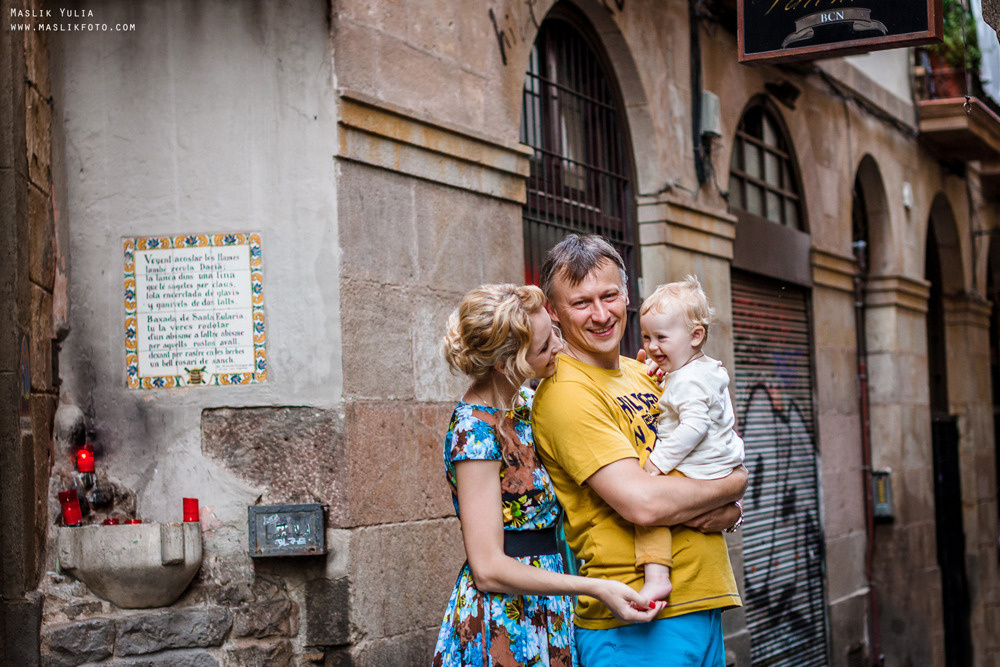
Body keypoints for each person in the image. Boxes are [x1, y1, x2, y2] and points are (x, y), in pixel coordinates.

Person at [531, 234, 747, 666]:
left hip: (700, 603)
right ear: (553, 312)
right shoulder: (566, 393)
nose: (600, 314)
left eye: (609, 295)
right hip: (636, 624)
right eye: (581, 303)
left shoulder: (647, 371)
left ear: (627, 295)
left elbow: (716, 456)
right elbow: (645, 504)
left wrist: (731, 507)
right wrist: (732, 487)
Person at [432, 283, 659, 667]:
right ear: (507, 364)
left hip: (550, 601)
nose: (558, 345)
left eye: (553, 331)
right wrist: (594, 587)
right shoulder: (473, 431)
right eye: (543, 346)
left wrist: (645, 380)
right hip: (506, 618)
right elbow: (487, 568)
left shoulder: (528, 402)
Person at [633, 275, 746, 605]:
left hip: (698, 468)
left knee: (649, 510)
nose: (653, 347)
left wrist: (658, 462)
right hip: (722, 467)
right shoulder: (702, 370)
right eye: (646, 337)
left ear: (696, 336)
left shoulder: (688, 382)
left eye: (662, 338)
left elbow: (694, 425)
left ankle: (656, 577)